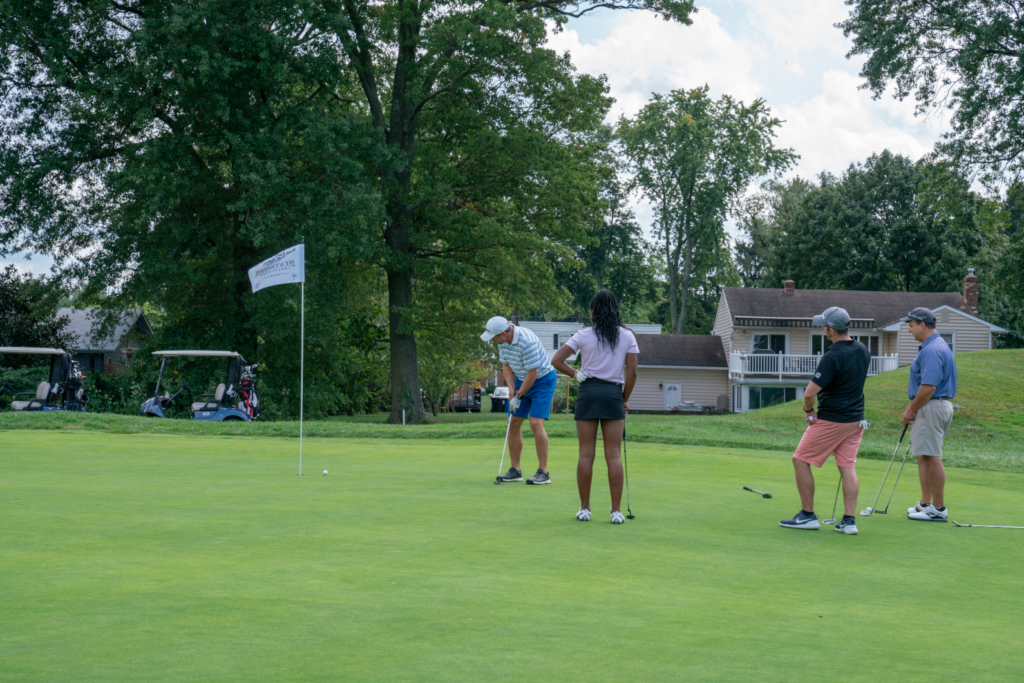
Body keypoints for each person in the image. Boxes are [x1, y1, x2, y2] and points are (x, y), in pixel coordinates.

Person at [780, 306, 870, 535]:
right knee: (847, 467)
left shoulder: (832, 356)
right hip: (856, 420)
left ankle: (807, 516)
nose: (822, 328)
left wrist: (808, 411)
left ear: (830, 329)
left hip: (832, 419)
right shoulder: (862, 350)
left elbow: (809, 393)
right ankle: (849, 521)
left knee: (800, 459)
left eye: (824, 325)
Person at [551, 290, 638, 524]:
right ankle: (616, 511)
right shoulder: (628, 336)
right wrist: (625, 398)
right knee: (614, 456)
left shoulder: (583, 335)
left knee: (586, 454)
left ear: (593, 312)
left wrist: (575, 373)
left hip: (588, 393)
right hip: (612, 395)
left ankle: (585, 509)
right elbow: (632, 373)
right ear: (615, 310)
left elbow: (556, 360)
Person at [482, 316, 557, 485]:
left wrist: (518, 396)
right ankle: (515, 470)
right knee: (513, 422)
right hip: (522, 380)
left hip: (542, 381)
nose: (493, 340)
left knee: (535, 423)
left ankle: (543, 473)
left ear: (503, 333)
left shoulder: (526, 341)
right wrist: (510, 388)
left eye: (494, 337)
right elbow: (506, 365)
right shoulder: (502, 342)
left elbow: (533, 374)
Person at [900, 307, 957, 522]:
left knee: (932, 457)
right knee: (924, 456)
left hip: (931, 405)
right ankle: (926, 504)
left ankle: (939, 509)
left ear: (922, 325)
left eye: (911, 325)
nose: (909, 330)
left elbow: (928, 387)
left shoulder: (932, 350)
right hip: (933, 406)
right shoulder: (934, 346)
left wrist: (911, 409)